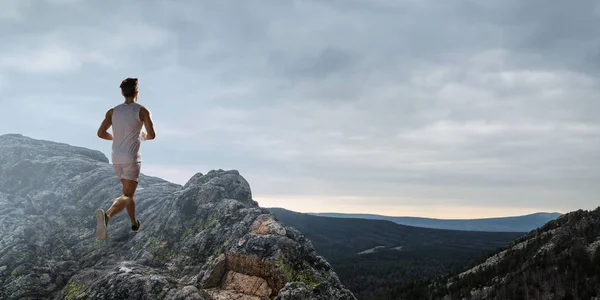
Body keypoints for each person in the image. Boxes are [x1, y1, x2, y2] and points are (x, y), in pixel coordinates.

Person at [95, 77, 156, 240]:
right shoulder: (142, 110)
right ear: (136, 93)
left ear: (122, 93)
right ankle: (107, 216)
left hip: (116, 157)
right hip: (131, 158)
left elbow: (100, 133)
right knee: (127, 195)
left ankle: (134, 223)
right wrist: (143, 136)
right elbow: (152, 135)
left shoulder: (112, 111)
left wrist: (115, 138)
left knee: (127, 193)